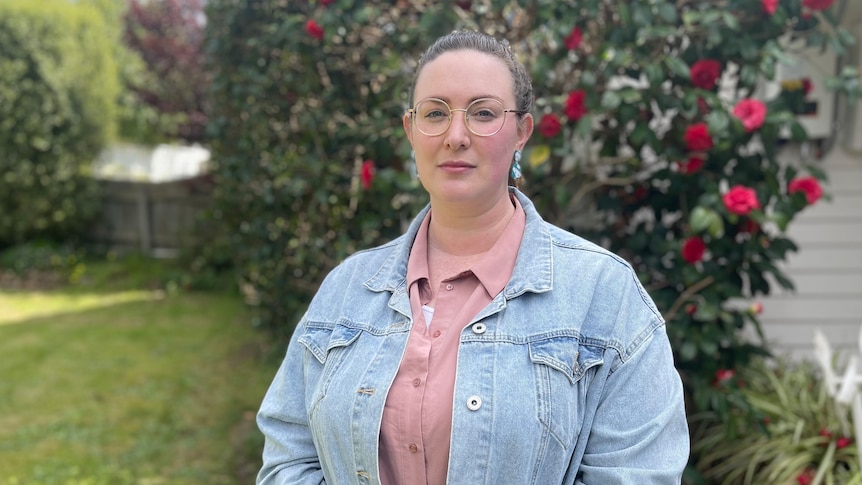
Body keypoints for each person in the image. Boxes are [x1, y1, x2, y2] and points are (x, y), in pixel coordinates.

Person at [256, 30, 689, 485]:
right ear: (411, 131)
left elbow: (638, 475)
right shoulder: (345, 289)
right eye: (435, 113)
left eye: (483, 113)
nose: (456, 136)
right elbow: (289, 460)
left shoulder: (605, 295)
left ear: (522, 131)